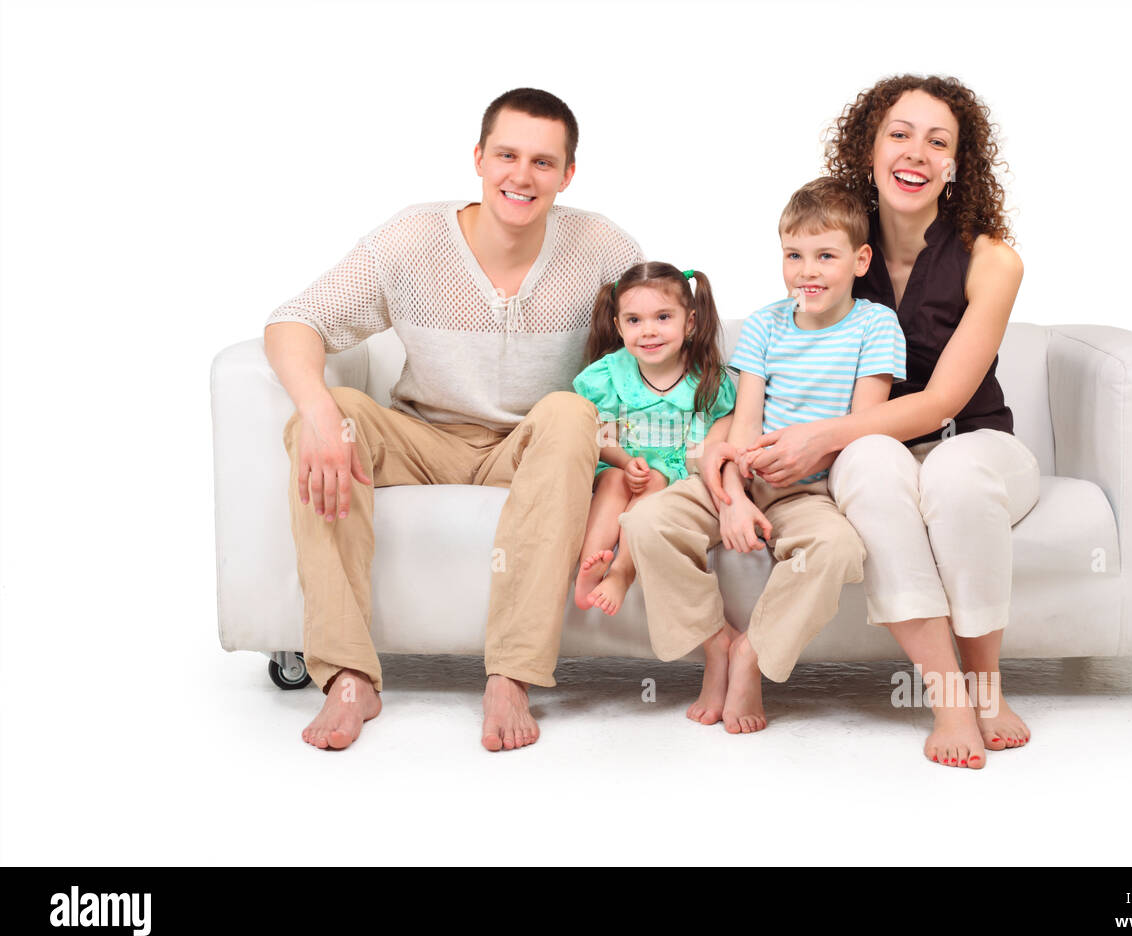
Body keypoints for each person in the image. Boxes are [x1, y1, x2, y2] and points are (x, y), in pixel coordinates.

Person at [263, 87, 642, 752]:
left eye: (543, 163)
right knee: (331, 418)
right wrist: (320, 409)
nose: (520, 176)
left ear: (568, 174)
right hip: (424, 437)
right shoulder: (413, 238)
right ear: (478, 157)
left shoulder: (602, 245)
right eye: (506, 155)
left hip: (530, 447)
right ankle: (348, 676)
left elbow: (662, 339)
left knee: (568, 412)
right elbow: (296, 319)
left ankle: (512, 676)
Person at [711, 75, 1039, 770]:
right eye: (899, 134)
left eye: (937, 140)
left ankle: (987, 685)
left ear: (957, 164)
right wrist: (728, 444)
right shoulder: (835, 251)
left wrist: (816, 439)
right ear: (870, 148)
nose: (916, 152)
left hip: (974, 441)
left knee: (950, 475)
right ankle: (948, 695)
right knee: (869, 465)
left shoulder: (992, 259)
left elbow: (944, 401)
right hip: (870, 445)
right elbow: (777, 355)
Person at [621, 178, 906, 734]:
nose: (808, 271)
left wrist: (802, 458)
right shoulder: (764, 324)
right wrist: (730, 499)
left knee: (837, 548)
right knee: (647, 521)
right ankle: (718, 647)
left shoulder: (875, 325)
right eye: (794, 255)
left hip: (810, 489)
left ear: (860, 259)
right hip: (742, 477)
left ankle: (753, 654)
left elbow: (862, 425)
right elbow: (743, 425)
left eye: (826, 255)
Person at [571, 263, 736, 616]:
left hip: (671, 471)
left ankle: (621, 572)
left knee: (654, 479)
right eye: (634, 321)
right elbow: (599, 434)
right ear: (618, 325)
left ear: (689, 322)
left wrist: (698, 460)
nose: (648, 331)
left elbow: (719, 426)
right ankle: (590, 564)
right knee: (615, 481)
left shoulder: (704, 377)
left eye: (663, 317)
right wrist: (623, 462)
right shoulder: (609, 375)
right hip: (618, 461)